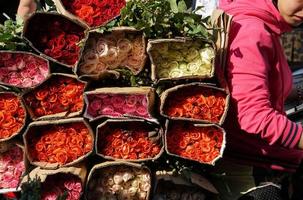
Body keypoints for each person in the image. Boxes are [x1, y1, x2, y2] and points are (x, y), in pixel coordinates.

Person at [209, 0, 303, 199]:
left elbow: (255, 90)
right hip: (251, 171)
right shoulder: (252, 31)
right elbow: (255, 116)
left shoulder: (257, 22)